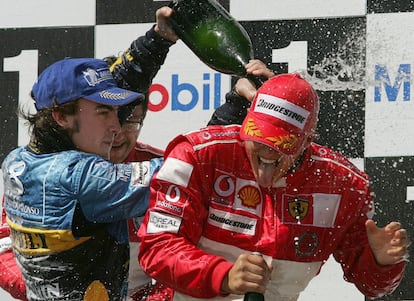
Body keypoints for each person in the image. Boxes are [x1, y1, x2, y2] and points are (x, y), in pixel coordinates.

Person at [137, 73, 410, 301]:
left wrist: (382, 264)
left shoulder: (344, 185)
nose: (267, 147)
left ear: (308, 140)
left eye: (281, 143)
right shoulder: (199, 155)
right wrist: (223, 275)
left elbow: (373, 287)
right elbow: (157, 248)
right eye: (259, 135)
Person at [0, 6, 178, 301]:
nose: (116, 128)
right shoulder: (82, 176)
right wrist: (246, 111)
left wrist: (158, 39)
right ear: (61, 117)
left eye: (120, 115)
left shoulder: (18, 160)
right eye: (105, 113)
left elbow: (106, 92)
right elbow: (185, 171)